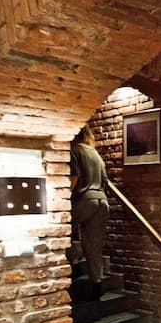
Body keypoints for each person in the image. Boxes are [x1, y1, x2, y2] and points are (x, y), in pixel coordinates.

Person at [69, 125, 109, 301]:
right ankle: (97, 284)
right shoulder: (95, 153)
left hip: (84, 200)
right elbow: (105, 180)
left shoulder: (73, 149)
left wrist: (65, 196)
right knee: (94, 245)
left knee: (64, 231)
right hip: (102, 201)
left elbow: (74, 176)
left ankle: (74, 263)